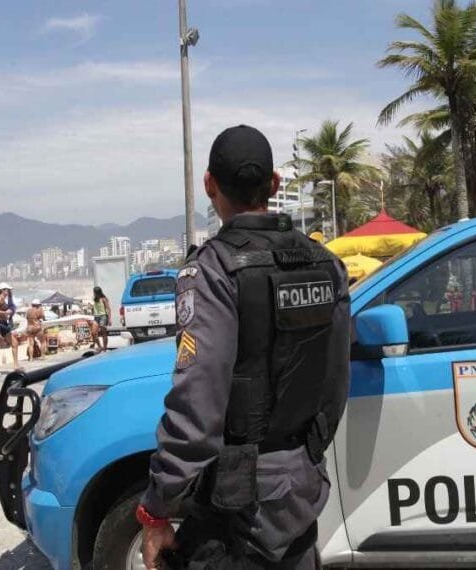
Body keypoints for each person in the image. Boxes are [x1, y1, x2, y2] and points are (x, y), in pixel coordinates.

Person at [138, 125, 351, 569]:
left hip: (238, 507)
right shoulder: (326, 264)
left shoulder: (213, 270)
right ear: (273, 186)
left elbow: (197, 408)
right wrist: (303, 452)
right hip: (301, 482)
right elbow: (335, 383)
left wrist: (155, 509)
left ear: (209, 185)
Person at [91, 287, 111, 352]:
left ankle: (104, 348)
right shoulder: (94, 299)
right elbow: (93, 308)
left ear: (97, 292)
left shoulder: (104, 299)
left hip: (103, 316)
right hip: (96, 317)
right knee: (93, 333)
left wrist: (109, 319)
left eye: (94, 292)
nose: (93, 293)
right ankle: (100, 346)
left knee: (103, 333)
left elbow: (108, 309)